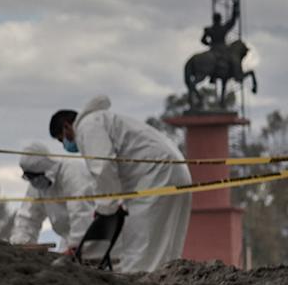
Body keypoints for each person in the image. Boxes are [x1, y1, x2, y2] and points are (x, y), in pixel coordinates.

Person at [47, 95, 192, 272]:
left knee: (141, 246)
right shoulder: (104, 120)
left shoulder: (88, 126)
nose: (66, 145)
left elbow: (103, 166)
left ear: (67, 126)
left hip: (156, 177)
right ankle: (162, 284)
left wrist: (106, 208)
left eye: (62, 139)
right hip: (174, 171)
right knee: (163, 245)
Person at [6, 150, 96, 247]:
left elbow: (81, 212)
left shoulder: (73, 172)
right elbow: (28, 216)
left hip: (96, 238)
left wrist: (76, 245)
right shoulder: (37, 185)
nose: (35, 182)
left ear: (48, 172)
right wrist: (21, 241)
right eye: (29, 178)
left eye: (36, 177)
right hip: (69, 239)